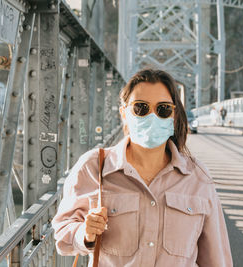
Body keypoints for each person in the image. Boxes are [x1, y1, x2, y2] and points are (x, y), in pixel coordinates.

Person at [52, 69, 232, 266]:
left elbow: (217, 259)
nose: (152, 116)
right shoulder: (94, 167)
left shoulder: (197, 177)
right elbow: (62, 235)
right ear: (124, 113)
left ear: (173, 115)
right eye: (140, 108)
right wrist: (85, 234)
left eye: (163, 109)